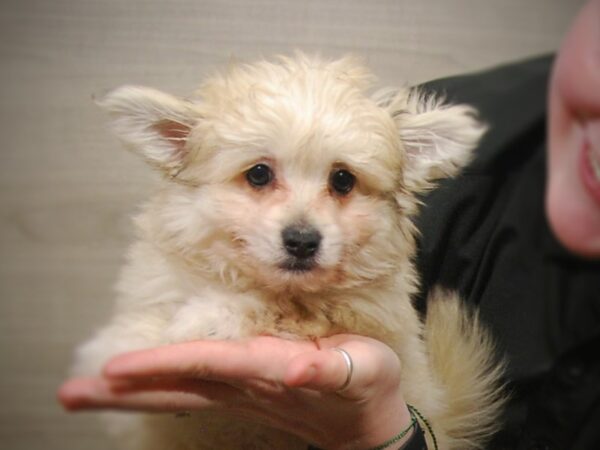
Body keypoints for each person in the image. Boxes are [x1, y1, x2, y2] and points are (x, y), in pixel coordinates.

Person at [58, 1, 600, 449]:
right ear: (179, 150)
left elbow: (353, 335)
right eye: (259, 175)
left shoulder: (374, 287)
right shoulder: (165, 262)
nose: (303, 225)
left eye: (342, 183)